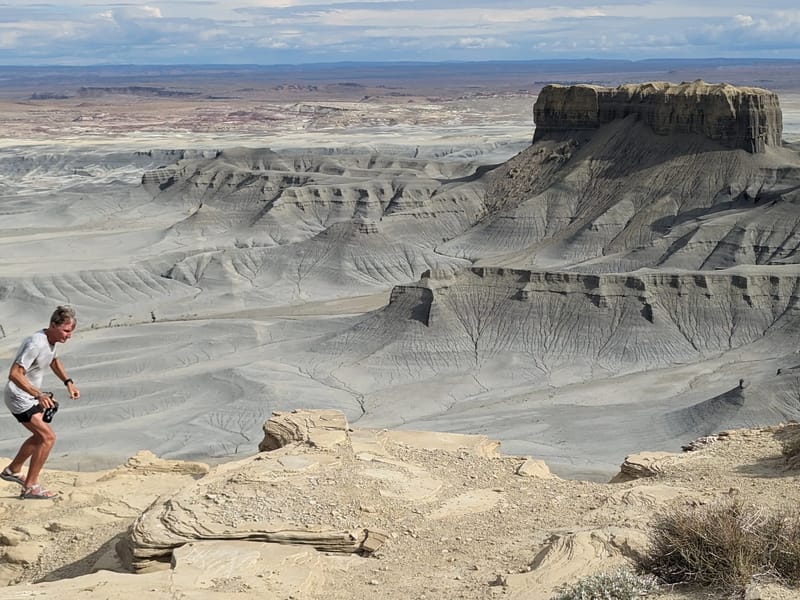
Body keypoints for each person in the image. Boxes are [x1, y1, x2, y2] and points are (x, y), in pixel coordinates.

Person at [2, 306, 80, 499]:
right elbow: (14, 374)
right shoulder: (36, 343)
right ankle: (29, 486)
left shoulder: (50, 340)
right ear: (53, 325)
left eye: (71, 332)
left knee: (39, 436)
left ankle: (12, 470)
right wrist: (39, 395)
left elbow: (53, 360)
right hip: (19, 397)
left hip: (29, 395)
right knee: (47, 437)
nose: (69, 336)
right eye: (66, 330)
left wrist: (68, 382)